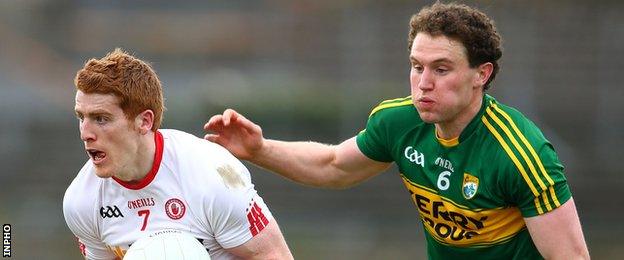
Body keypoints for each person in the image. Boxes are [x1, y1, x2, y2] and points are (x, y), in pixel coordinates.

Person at [204, 3, 590, 259]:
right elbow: (335, 165)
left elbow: (570, 257)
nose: (423, 83)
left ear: (481, 74)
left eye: (441, 69)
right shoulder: (399, 122)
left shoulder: (521, 153)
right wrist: (258, 149)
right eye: (416, 66)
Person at [63, 48, 293, 260]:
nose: (85, 133)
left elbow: (274, 255)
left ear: (144, 121)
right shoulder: (83, 200)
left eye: (101, 119)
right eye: (81, 117)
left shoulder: (213, 177)